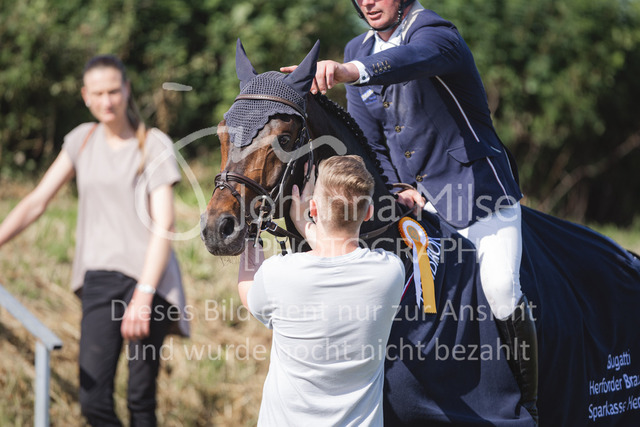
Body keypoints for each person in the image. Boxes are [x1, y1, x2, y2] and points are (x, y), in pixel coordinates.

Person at [282, 0, 538, 422]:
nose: (368, 2)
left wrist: (350, 71)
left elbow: (410, 60)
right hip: (413, 201)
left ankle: (529, 401)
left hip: (476, 192)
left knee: (499, 288)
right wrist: (399, 187)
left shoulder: (436, 32)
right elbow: (370, 140)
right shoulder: (357, 47)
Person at [0, 55, 189, 426]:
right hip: (99, 280)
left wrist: (144, 295)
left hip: (149, 281)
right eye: (98, 93)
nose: (107, 101)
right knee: (93, 400)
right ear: (85, 95)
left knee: (140, 400)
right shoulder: (81, 140)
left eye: (114, 91)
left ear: (127, 90)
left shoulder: (153, 144)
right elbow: (37, 202)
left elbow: (164, 222)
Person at [237, 155, 405, 426]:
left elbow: (247, 289)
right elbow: (340, 254)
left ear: (313, 208)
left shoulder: (279, 274)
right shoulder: (390, 272)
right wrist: (307, 226)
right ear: (369, 213)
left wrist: (250, 233)